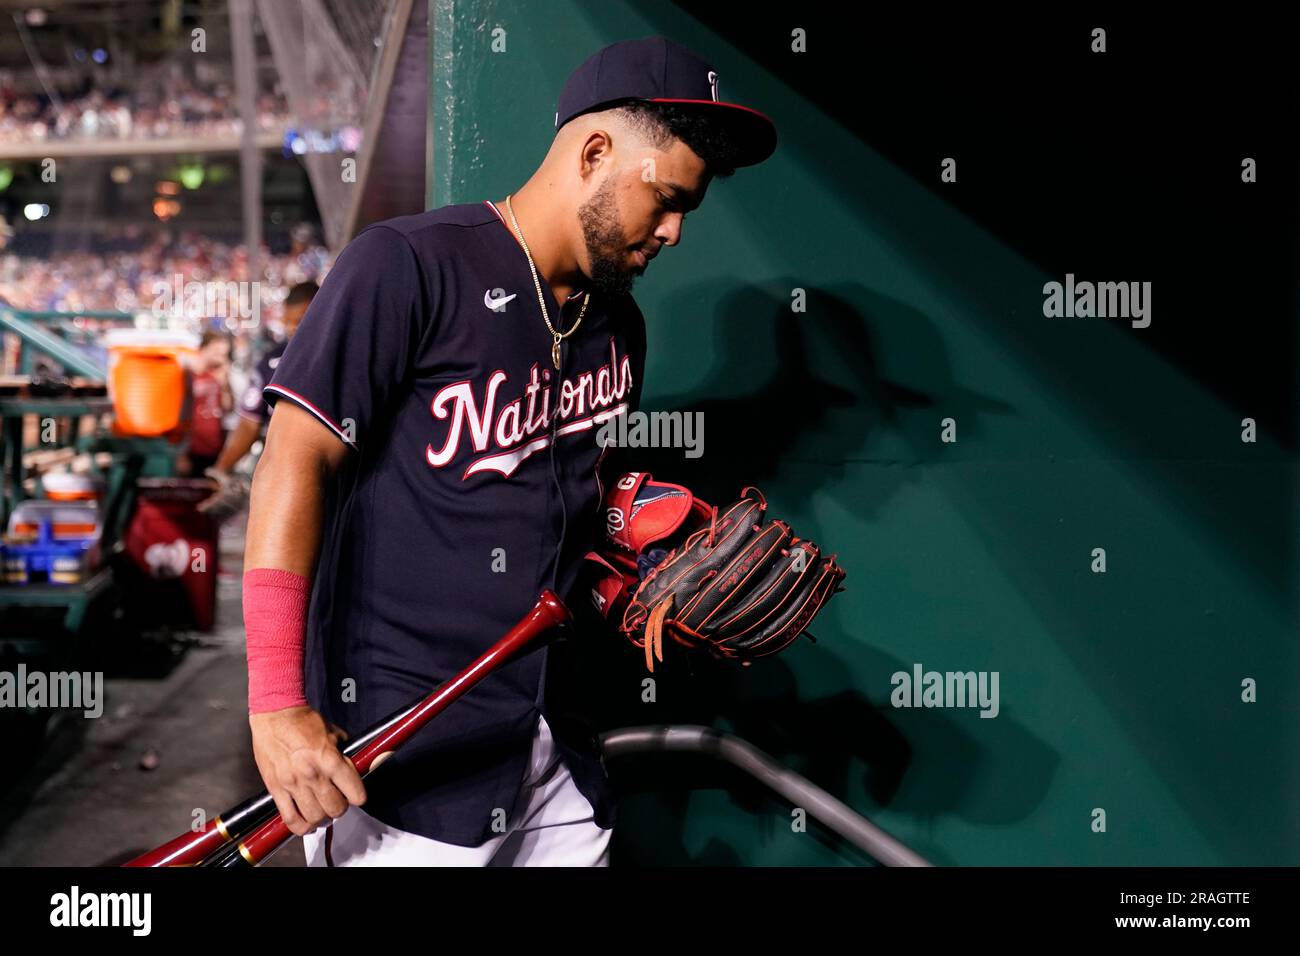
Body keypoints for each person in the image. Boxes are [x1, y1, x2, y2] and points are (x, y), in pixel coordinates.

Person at [241, 36, 776, 867]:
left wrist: (624, 570)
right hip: (404, 753)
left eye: (687, 211)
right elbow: (293, 462)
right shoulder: (408, 265)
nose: (674, 232)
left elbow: (546, 504)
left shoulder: (618, 327)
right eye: (666, 199)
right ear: (595, 152)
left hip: (552, 747)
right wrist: (277, 705)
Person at [198, 281, 318, 510]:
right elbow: (249, 423)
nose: (293, 328)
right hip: (286, 474)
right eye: (289, 320)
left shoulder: (350, 356)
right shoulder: (273, 362)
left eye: (300, 319)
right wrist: (221, 469)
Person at [181, 329, 232, 476]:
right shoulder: (188, 374)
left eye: (224, 354)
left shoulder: (219, 375)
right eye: (217, 352)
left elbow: (227, 407)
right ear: (204, 348)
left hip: (215, 446)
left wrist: (224, 384)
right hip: (192, 448)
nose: (221, 358)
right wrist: (181, 452)